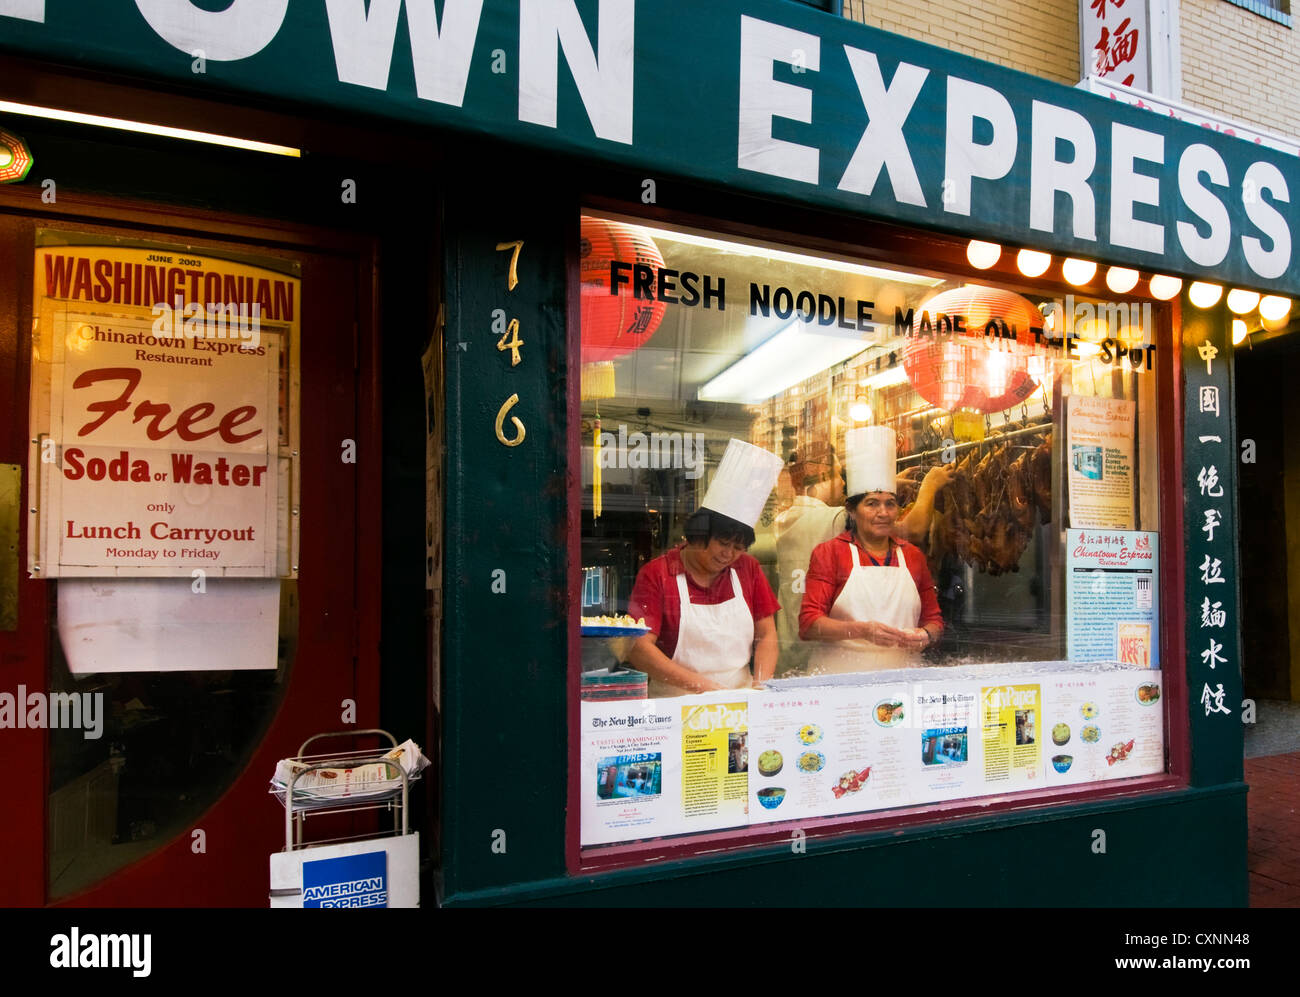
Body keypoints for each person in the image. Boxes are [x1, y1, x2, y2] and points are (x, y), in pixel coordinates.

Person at [627, 439, 783, 697]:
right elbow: (639, 649)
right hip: (676, 702)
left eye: (738, 547)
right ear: (697, 536)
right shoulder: (658, 574)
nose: (729, 554)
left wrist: (760, 687)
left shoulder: (748, 568)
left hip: (740, 699)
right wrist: (706, 688)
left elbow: (767, 634)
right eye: (723, 543)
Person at [799, 426, 943, 674]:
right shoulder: (830, 553)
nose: (883, 513)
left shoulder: (912, 556)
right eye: (872, 504)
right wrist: (863, 631)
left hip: (903, 679)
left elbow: (935, 619)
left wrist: (925, 636)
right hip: (841, 680)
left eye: (890, 504)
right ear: (852, 510)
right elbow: (809, 624)